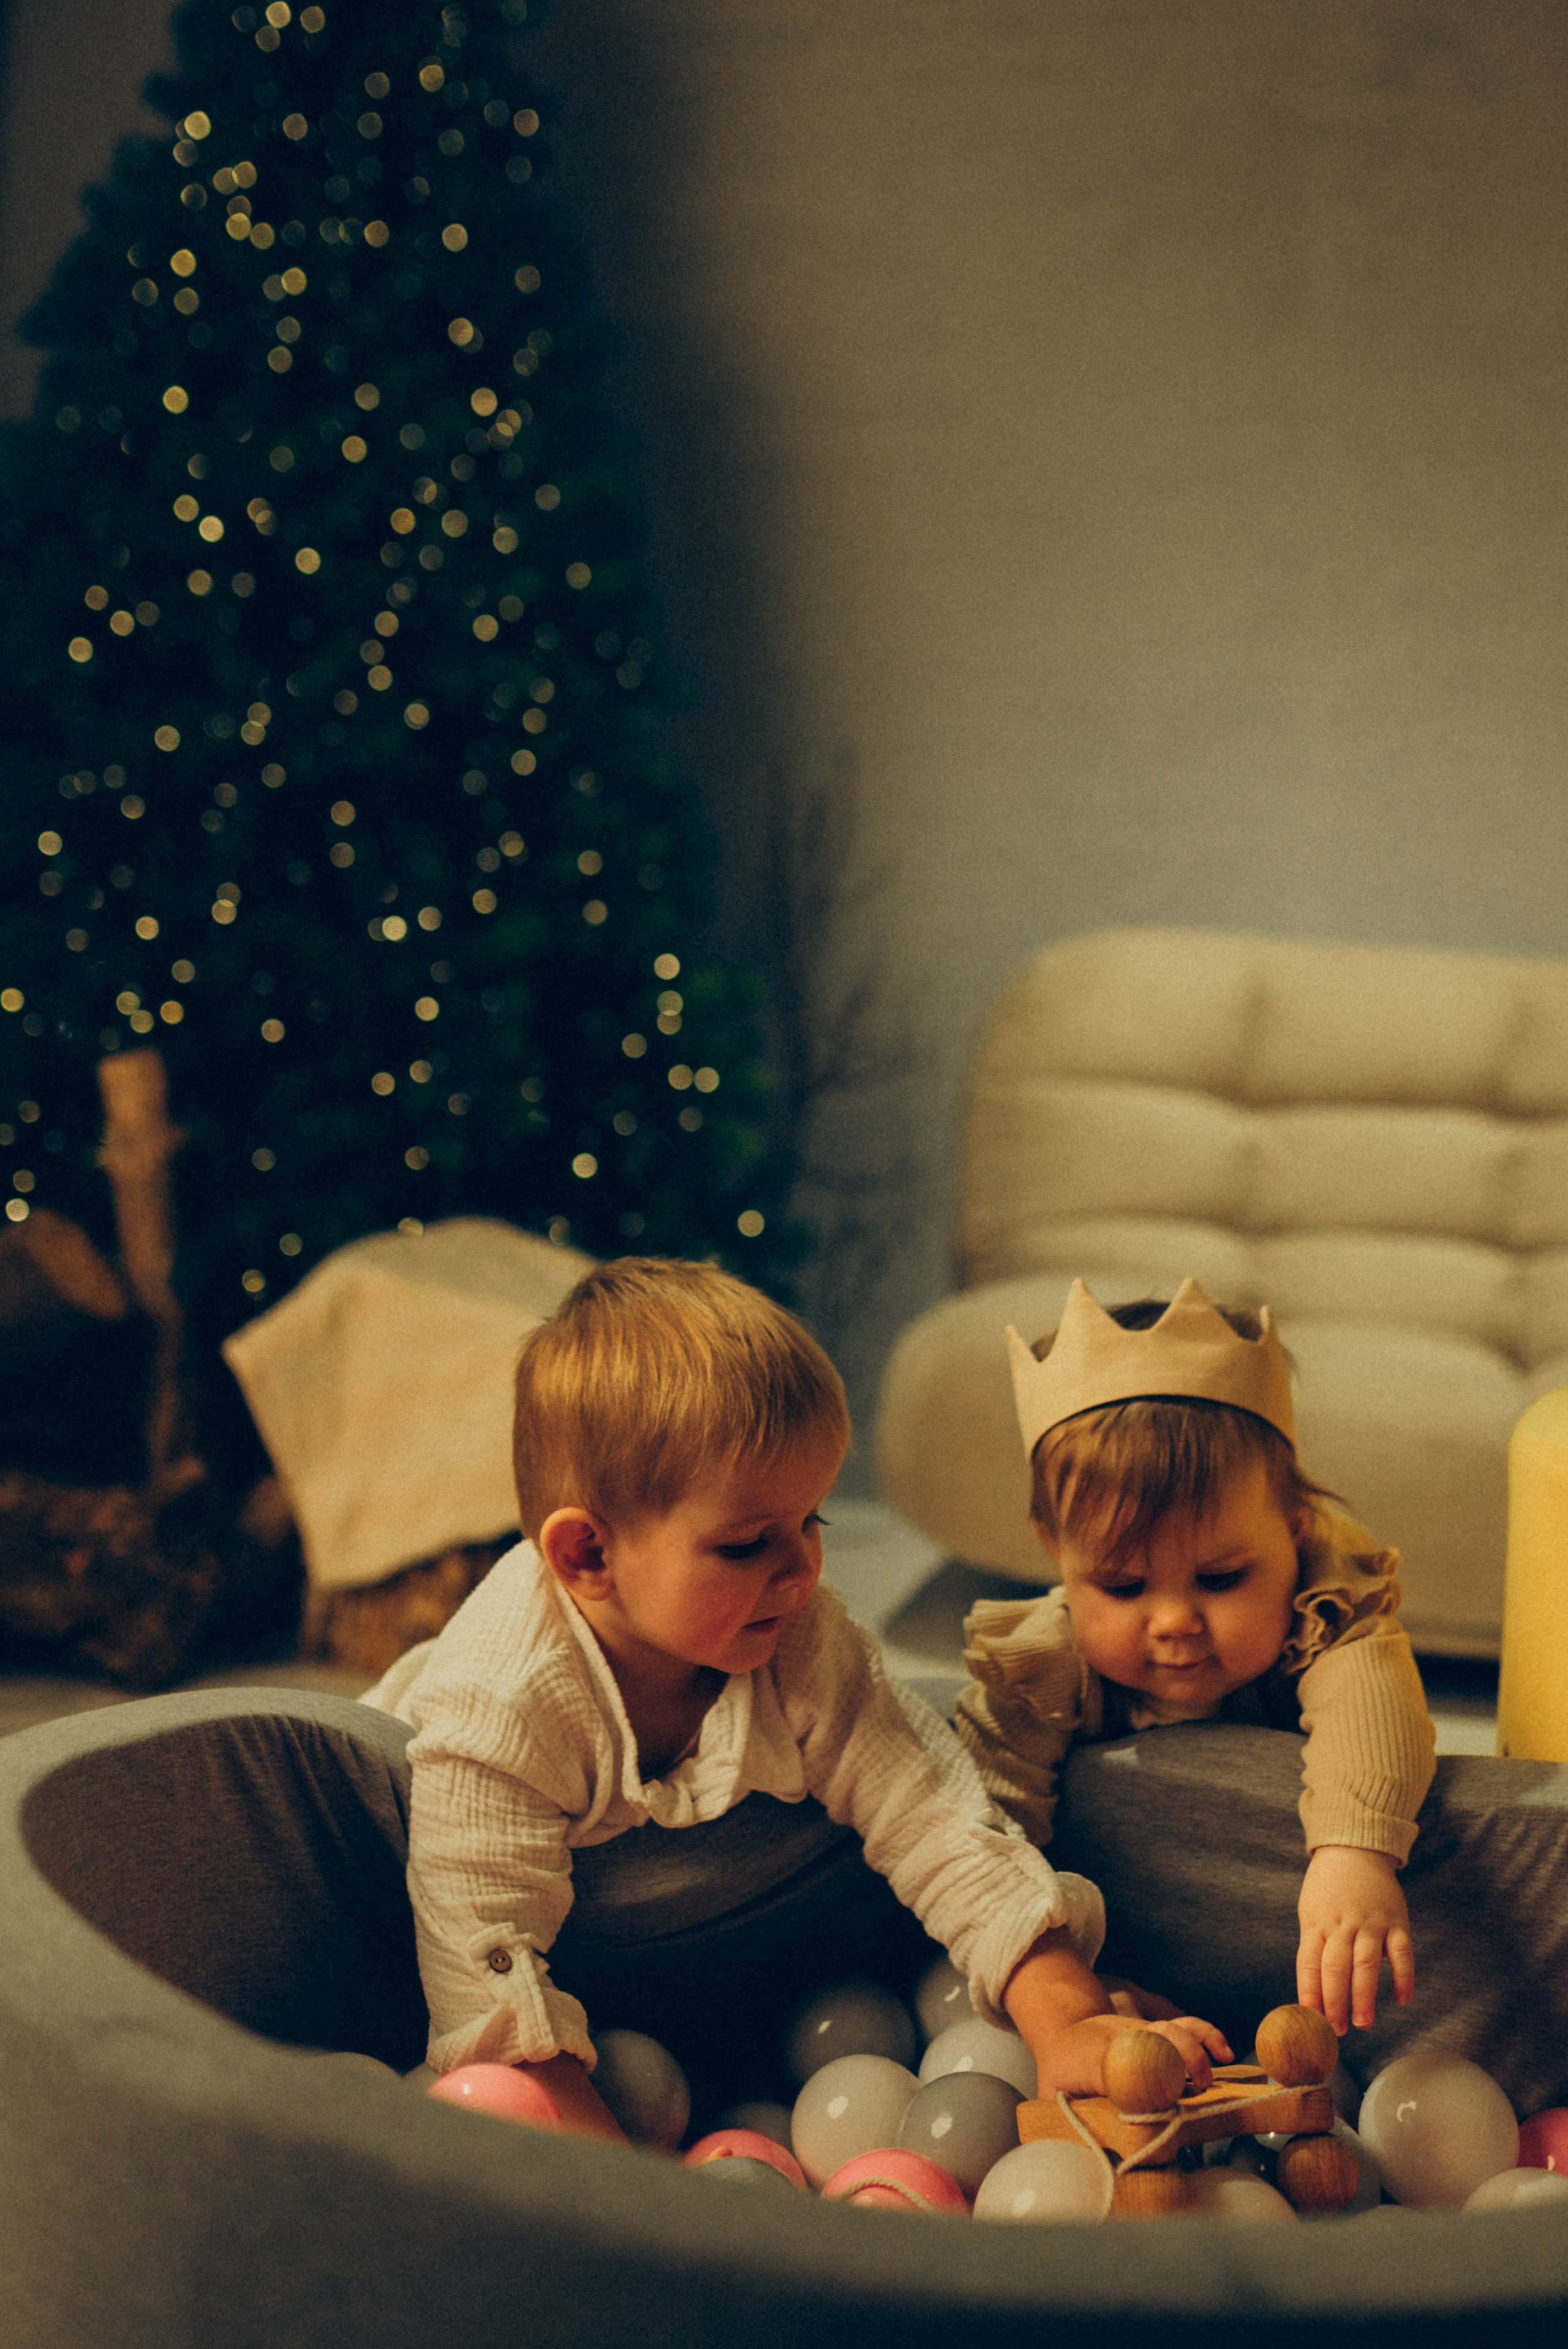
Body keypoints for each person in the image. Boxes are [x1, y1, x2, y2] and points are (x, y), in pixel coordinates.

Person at [363, 1257, 1226, 2139]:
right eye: (748, 1544)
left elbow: (936, 1813)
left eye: (815, 1520)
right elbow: (484, 1970)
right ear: (589, 1556)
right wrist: (618, 2188)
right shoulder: (500, 1702)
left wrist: (1067, 2015)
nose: (804, 1567)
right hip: (426, 1895)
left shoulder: (803, 1639)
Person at [954, 1278, 1438, 2045]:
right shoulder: (1041, 1669)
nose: (1175, 1621)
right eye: (1121, 1585)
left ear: (1294, 1532)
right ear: (1056, 1555)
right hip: (1112, 1964)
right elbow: (979, 1823)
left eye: (1220, 1579)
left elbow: (1373, 1707)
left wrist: (1353, 1855)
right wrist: (1063, 1979)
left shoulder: (1324, 1613)